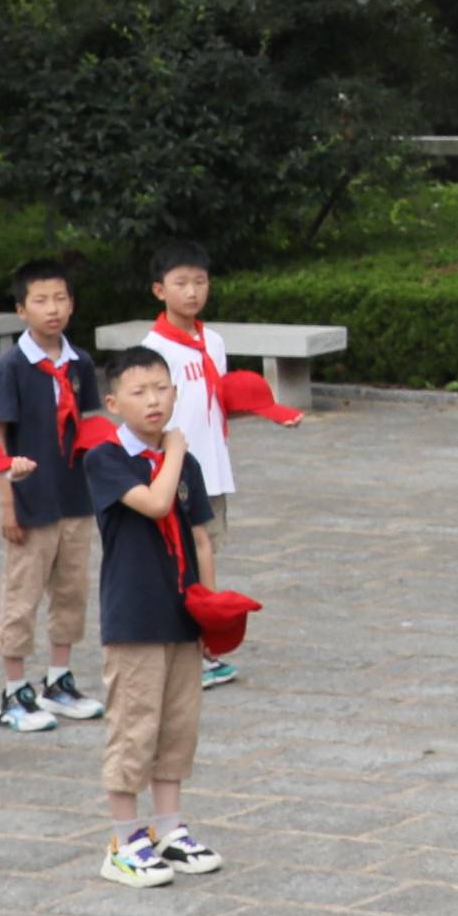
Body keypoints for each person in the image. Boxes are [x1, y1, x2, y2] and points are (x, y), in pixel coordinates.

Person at [80, 345, 217, 889]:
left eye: (162, 388)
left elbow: (201, 537)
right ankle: (123, 839)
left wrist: (211, 607)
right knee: (133, 727)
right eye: (139, 392)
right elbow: (157, 504)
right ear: (114, 402)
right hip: (134, 614)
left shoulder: (187, 463)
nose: (154, 400)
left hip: (181, 611)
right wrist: (177, 451)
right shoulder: (107, 459)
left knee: (177, 725)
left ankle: (169, 828)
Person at [136, 246, 276, 688]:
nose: (192, 291)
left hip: (212, 469)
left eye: (200, 282)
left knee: (207, 551)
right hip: (173, 473)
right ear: (159, 290)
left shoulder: (213, 342)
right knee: (182, 558)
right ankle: (185, 648)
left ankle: (202, 644)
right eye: (181, 283)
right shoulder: (152, 351)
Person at [0, 258, 104, 732]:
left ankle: (58, 679)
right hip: (31, 500)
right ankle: (14, 690)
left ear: (72, 304)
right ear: (21, 309)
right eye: (40, 300)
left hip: (75, 495)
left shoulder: (81, 363)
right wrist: (6, 502)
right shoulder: (11, 366)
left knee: (71, 591)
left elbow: (94, 426)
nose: (52, 309)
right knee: (22, 595)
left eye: (60, 299)